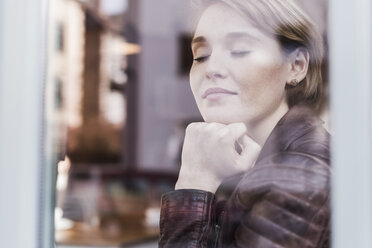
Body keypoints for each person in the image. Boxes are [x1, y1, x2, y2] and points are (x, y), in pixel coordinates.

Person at [159, 0, 330, 247]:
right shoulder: (270, 162)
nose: (211, 69)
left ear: (297, 65)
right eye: (201, 56)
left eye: (239, 50)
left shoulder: (296, 174)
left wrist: (193, 181)